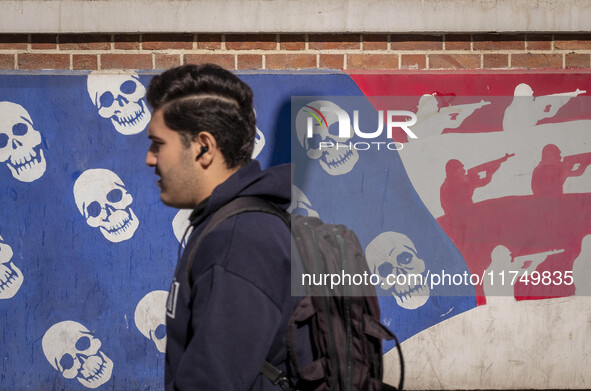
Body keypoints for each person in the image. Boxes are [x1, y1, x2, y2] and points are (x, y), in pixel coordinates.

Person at [145, 64, 306, 390]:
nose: (150, 158)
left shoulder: (238, 240)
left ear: (204, 147)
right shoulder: (231, 224)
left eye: (158, 144)